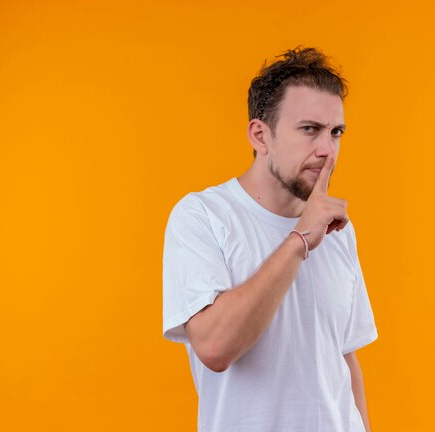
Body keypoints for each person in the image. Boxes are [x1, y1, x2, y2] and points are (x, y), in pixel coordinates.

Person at [162, 46, 378, 432]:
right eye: (310, 129)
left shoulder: (340, 231)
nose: (327, 150)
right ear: (261, 135)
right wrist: (299, 241)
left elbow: (344, 358)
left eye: (336, 132)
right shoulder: (203, 216)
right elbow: (213, 348)